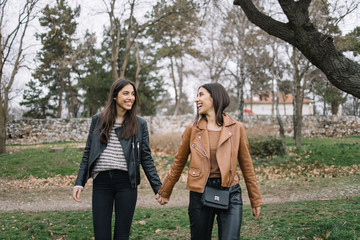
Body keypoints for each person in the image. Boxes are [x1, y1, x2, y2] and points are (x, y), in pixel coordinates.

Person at [156, 83, 262, 240]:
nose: (196, 99)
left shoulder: (237, 128)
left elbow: (247, 166)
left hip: (230, 192)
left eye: (201, 95)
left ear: (214, 98)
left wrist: (255, 199)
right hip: (200, 192)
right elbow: (179, 162)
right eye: (197, 95)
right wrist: (166, 190)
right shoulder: (192, 129)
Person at [73, 78, 162, 240]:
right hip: (101, 183)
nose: (131, 97)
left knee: (122, 235)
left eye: (133, 94)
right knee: (101, 235)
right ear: (115, 96)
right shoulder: (98, 120)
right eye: (126, 93)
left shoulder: (139, 124)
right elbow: (88, 152)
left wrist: (159, 189)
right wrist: (80, 182)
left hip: (126, 183)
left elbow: (146, 158)